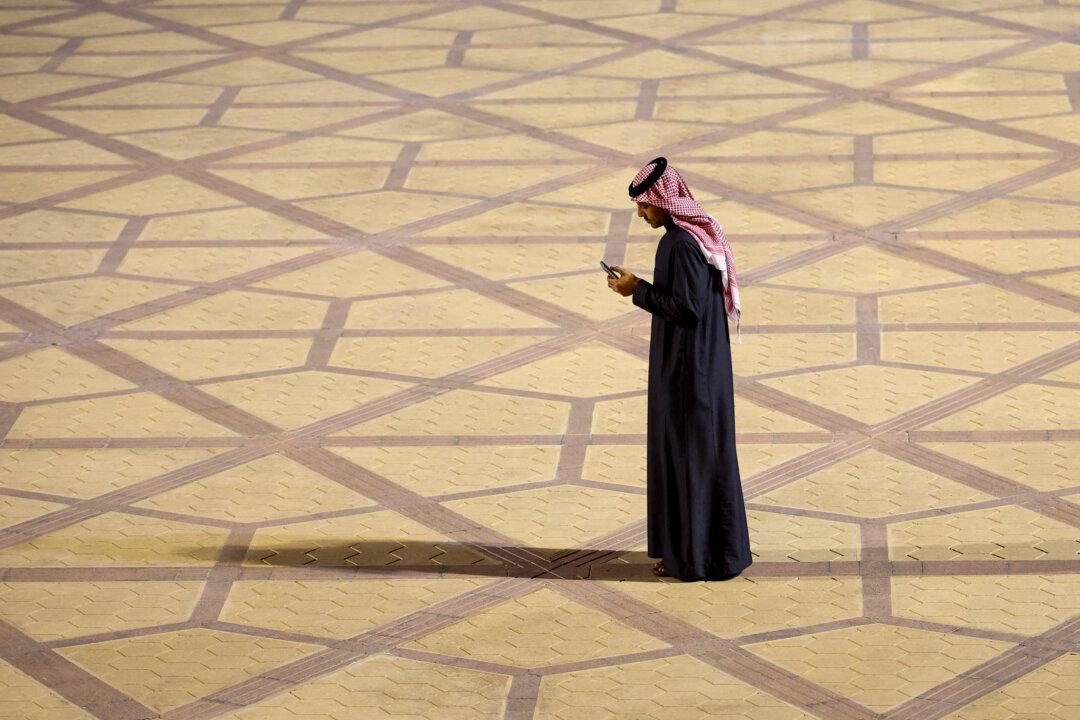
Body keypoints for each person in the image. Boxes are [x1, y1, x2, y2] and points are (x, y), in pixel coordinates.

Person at [607, 157, 752, 582]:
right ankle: (706, 554)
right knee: (702, 456)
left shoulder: (680, 244)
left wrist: (637, 290)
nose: (641, 213)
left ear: (665, 202)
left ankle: (692, 559)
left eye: (645, 206)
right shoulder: (690, 238)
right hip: (703, 367)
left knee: (689, 458)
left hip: (688, 372)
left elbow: (685, 309)